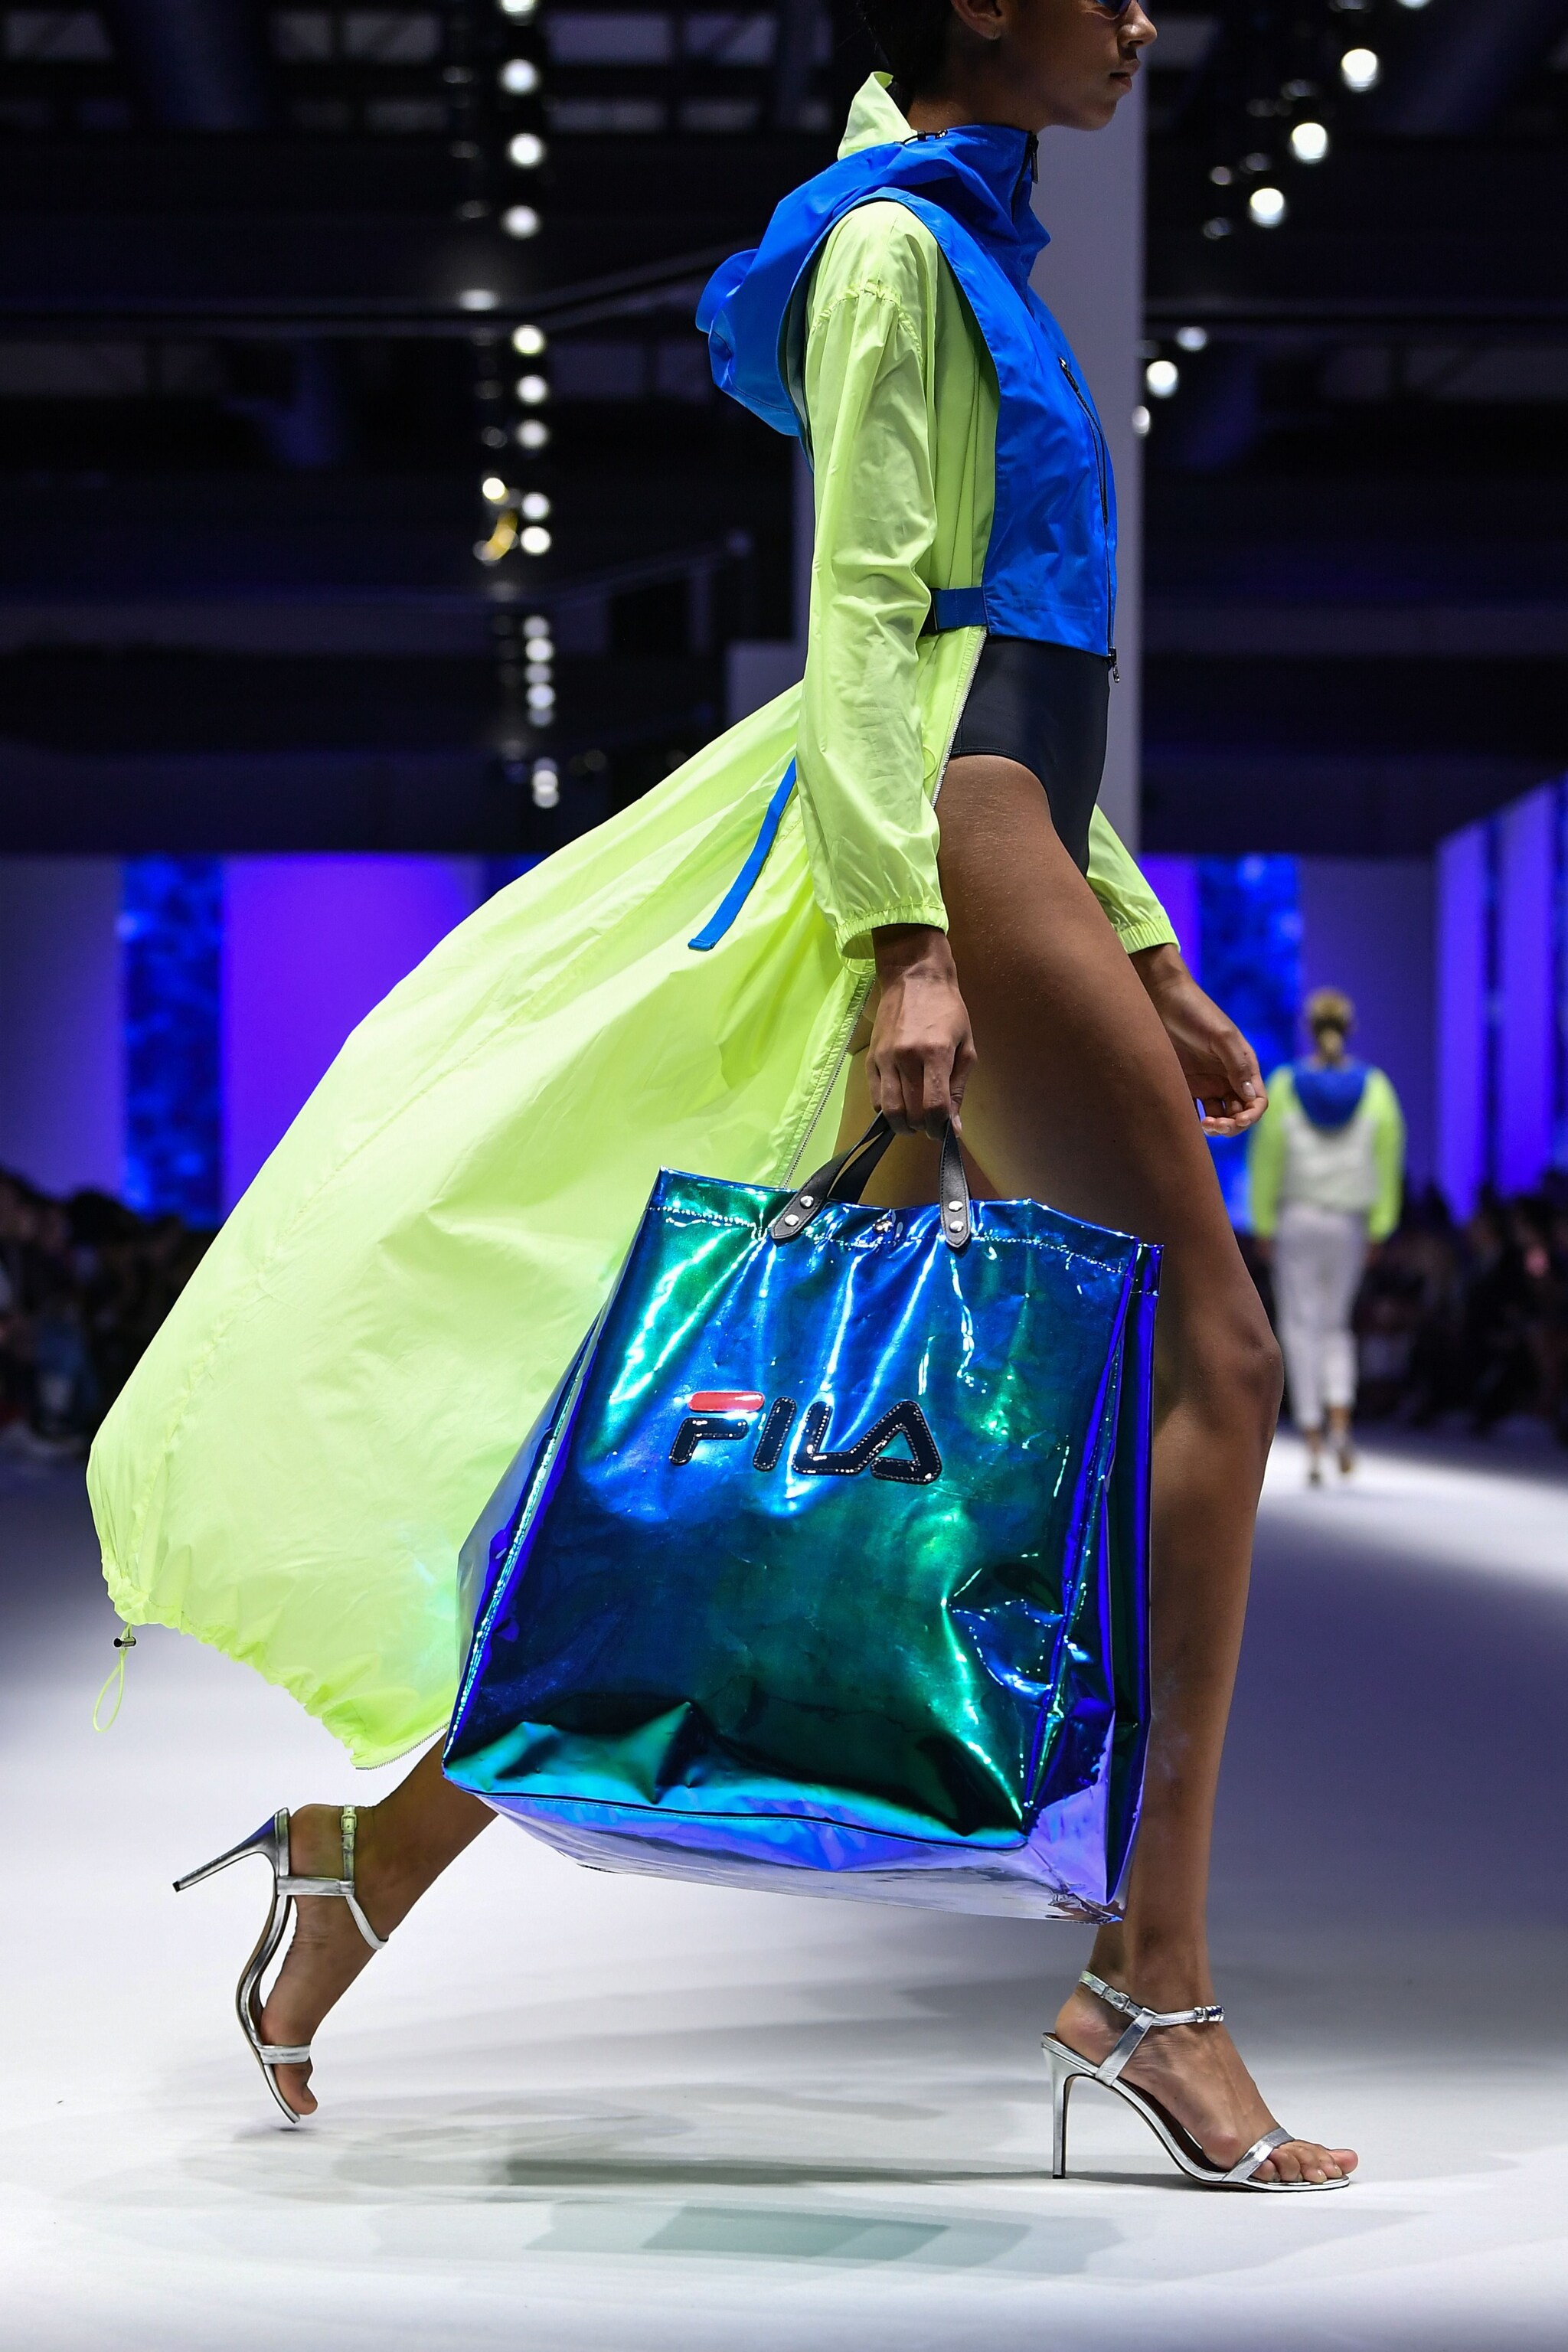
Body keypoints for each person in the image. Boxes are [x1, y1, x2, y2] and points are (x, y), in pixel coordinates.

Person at [88, 0, 1354, 2190]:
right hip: (945, 849)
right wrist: (913, 937)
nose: (1145, 15)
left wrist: (1140, 942)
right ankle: (1152, 1980)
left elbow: (994, 660)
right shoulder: (889, 246)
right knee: (1215, 1367)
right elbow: (868, 624)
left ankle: (355, 1870)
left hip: (992, 833)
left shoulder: (963, 245)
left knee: (695, 1456)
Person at [1249, 988, 1406, 1483]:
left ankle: (1313, 1438)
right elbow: (1388, 1159)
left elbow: (1267, 1159)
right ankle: (1341, 1423)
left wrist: (1263, 1222)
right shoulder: (1376, 1088)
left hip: (1296, 1219)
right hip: (1349, 1223)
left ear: (1310, 1029)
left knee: (1300, 1325)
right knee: (1336, 1325)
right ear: (1349, 1029)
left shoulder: (1286, 1085)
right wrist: (1381, 1225)